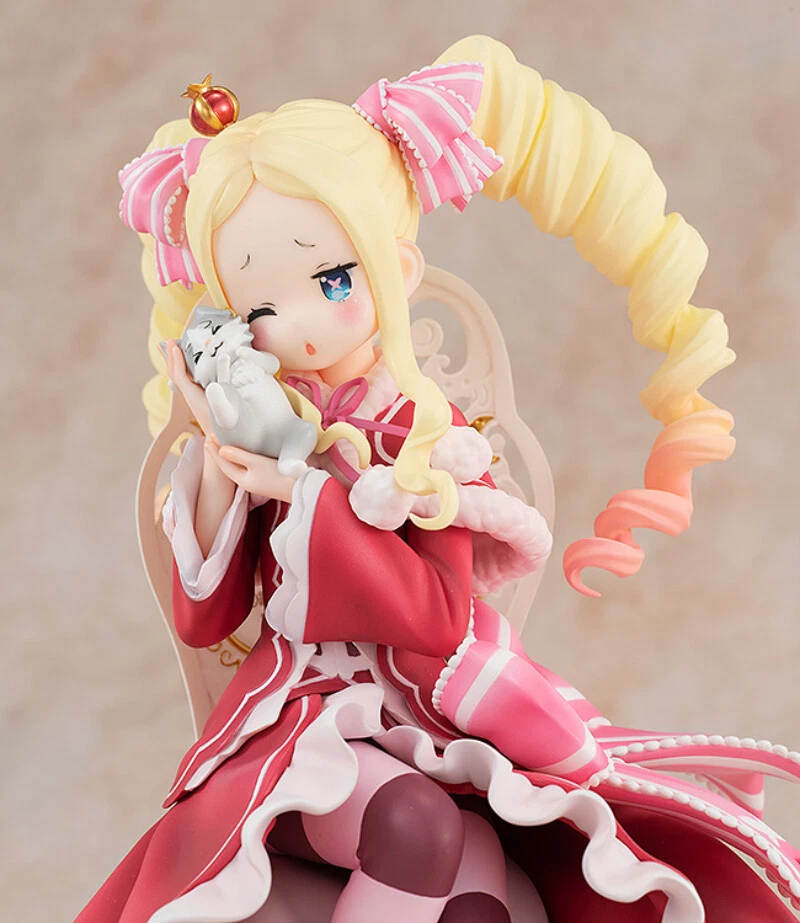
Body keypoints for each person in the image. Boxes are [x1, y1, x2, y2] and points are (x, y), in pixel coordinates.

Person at [77, 35, 800, 923]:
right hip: (297, 727)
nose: (298, 326)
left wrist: (304, 493)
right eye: (259, 305)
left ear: (398, 270)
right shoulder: (254, 431)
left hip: (431, 717)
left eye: (331, 279)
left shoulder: (431, 441)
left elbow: (435, 617)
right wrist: (223, 461)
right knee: (416, 827)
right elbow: (206, 619)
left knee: (494, 883)